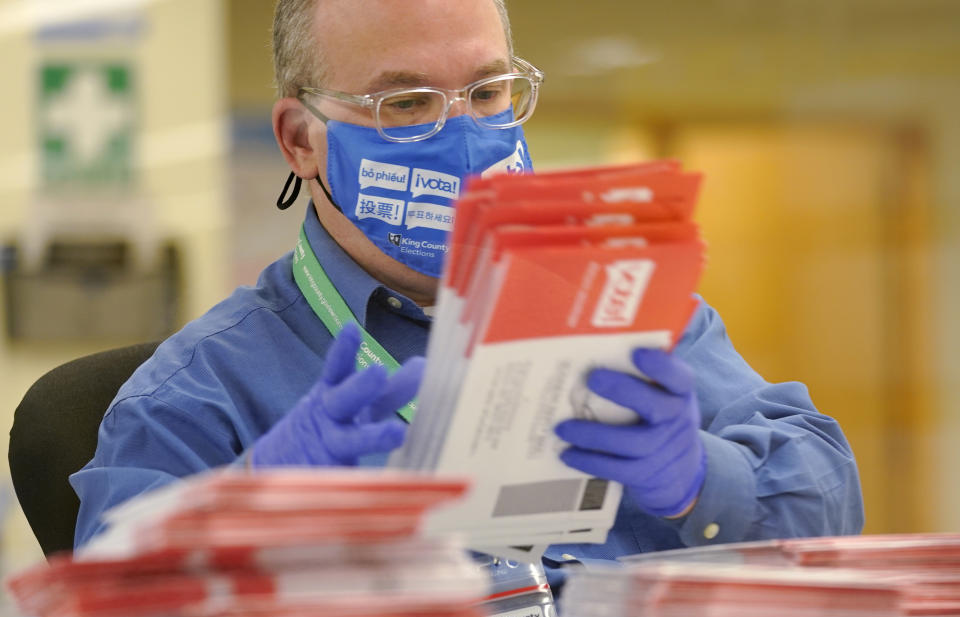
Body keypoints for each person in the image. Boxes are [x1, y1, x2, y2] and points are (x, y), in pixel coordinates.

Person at [70, 0, 864, 579]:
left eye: (487, 94)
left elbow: (833, 505)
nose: (464, 135)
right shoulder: (193, 396)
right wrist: (244, 516)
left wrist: (700, 479)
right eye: (407, 103)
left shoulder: (627, 316)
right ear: (300, 139)